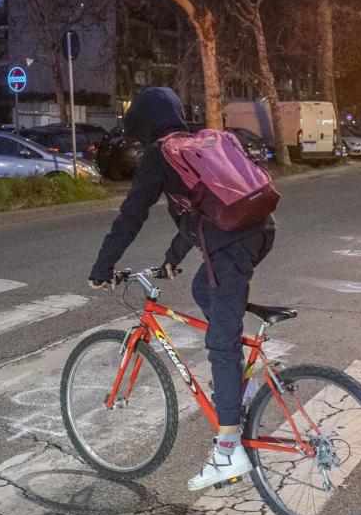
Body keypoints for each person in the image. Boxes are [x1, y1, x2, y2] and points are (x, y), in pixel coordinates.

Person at [87, 87, 275, 491]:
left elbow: (132, 214)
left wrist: (103, 266)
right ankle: (242, 386)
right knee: (203, 290)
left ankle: (227, 450)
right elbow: (203, 212)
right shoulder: (204, 141)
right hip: (260, 232)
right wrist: (173, 257)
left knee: (221, 343)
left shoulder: (162, 153)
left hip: (232, 245)